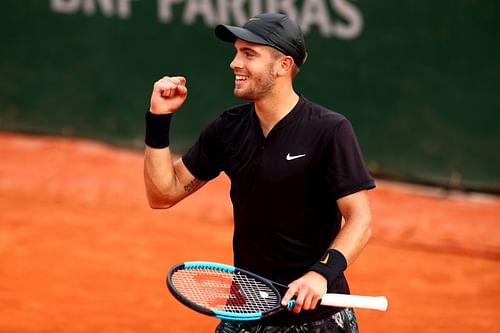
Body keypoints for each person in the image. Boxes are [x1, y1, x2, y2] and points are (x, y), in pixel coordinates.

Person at [144, 13, 375, 333]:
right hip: (245, 313)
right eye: (236, 52)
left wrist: (320, 274)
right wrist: (158, 119)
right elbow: (163, 194)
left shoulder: (329, 131)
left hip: (316, 319)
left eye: (248, 54)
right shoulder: (228, 129)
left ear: (283, 65)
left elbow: (360, 218)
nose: (235, 63)